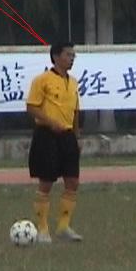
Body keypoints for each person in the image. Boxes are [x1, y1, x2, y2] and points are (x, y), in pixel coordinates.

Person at [26, 42, 82, 243]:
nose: (72, 59)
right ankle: (42, 229)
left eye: (73, 55)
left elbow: (75, 111)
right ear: (56, 57)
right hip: (47, 134)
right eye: (68, 55)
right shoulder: (42, 80)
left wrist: (76, 136)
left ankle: (64, 226)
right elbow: (31, 107)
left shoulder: (73, 82)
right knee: (46, 181)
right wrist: (51, 122)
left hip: (67, 136)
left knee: (72, 181)